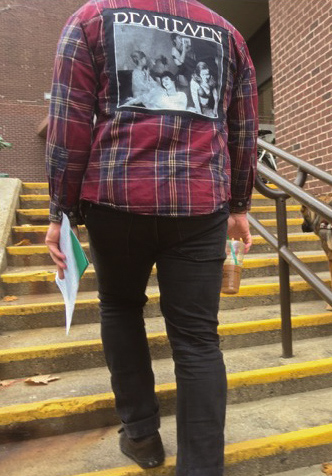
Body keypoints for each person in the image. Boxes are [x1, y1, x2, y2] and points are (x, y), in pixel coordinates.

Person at [44, 1, 258, 475]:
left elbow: (69, 124)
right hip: (200, 204)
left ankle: (141, 436)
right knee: (198, 339)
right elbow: (243, 132)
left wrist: (60, 209)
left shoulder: (91, 19)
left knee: (121, 308)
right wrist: (239, 204)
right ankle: (202, 467)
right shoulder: (229, 35)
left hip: (115, 198)